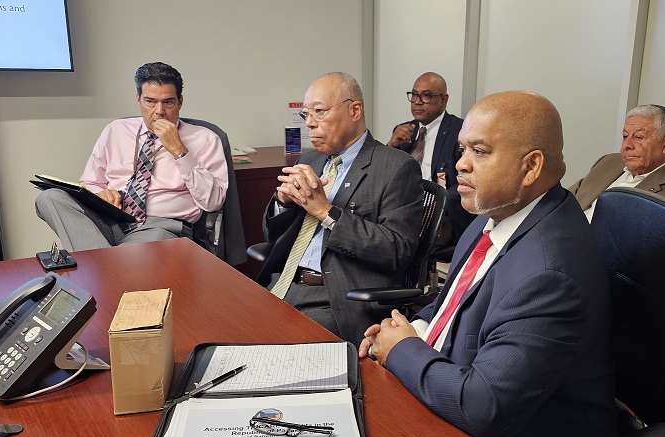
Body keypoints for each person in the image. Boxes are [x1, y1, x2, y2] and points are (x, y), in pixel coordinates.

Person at [359, 91, 618, 437]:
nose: (461, 164)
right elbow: (450, 301)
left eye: (479, 151)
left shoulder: (550, 274)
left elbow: (484, 407)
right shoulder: (493, 214)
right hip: (452, 385)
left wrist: (401, 350)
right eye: (463, 149)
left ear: (531, 167)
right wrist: (410, 327)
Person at [257, 72, 423, 345]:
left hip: (334, 297)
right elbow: (271, 235)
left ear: (354, 110)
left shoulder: (396, 167)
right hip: (283, 281)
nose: (310, 123)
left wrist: (327, 213)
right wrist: (282, 202)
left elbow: (397, 250)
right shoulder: (311, 159)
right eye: (306, 114)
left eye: (319, 112)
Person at [35, 62, 228, 251]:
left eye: (168, 102)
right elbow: (90, 182)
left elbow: (213, 202)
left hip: (160, 226)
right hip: (109, 218)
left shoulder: (205, 139)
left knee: (132, 256)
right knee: (50, 198)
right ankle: (111, 267)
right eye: (150, 102)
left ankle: (104, 267)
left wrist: (179, 151)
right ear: (138, 100)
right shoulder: (116, 130)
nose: (159, 111)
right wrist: (101, 194)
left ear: (180, 102)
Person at [387, 72, 474, 245]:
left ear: (443, 100)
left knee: (403, 235)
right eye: (414, 95)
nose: (417, 101)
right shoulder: (403, 131)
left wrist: (435, 203)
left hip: (444, 213)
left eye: (426, 95)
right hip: (404, 208)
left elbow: (468, 180)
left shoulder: (461, 131)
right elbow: (385, 176)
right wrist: (392, 146)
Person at [569, 104, 665, 221]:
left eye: (638, 137)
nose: (626, 145)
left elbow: (641, 242)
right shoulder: (608, 161)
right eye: (625, 136)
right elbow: (563, 202)